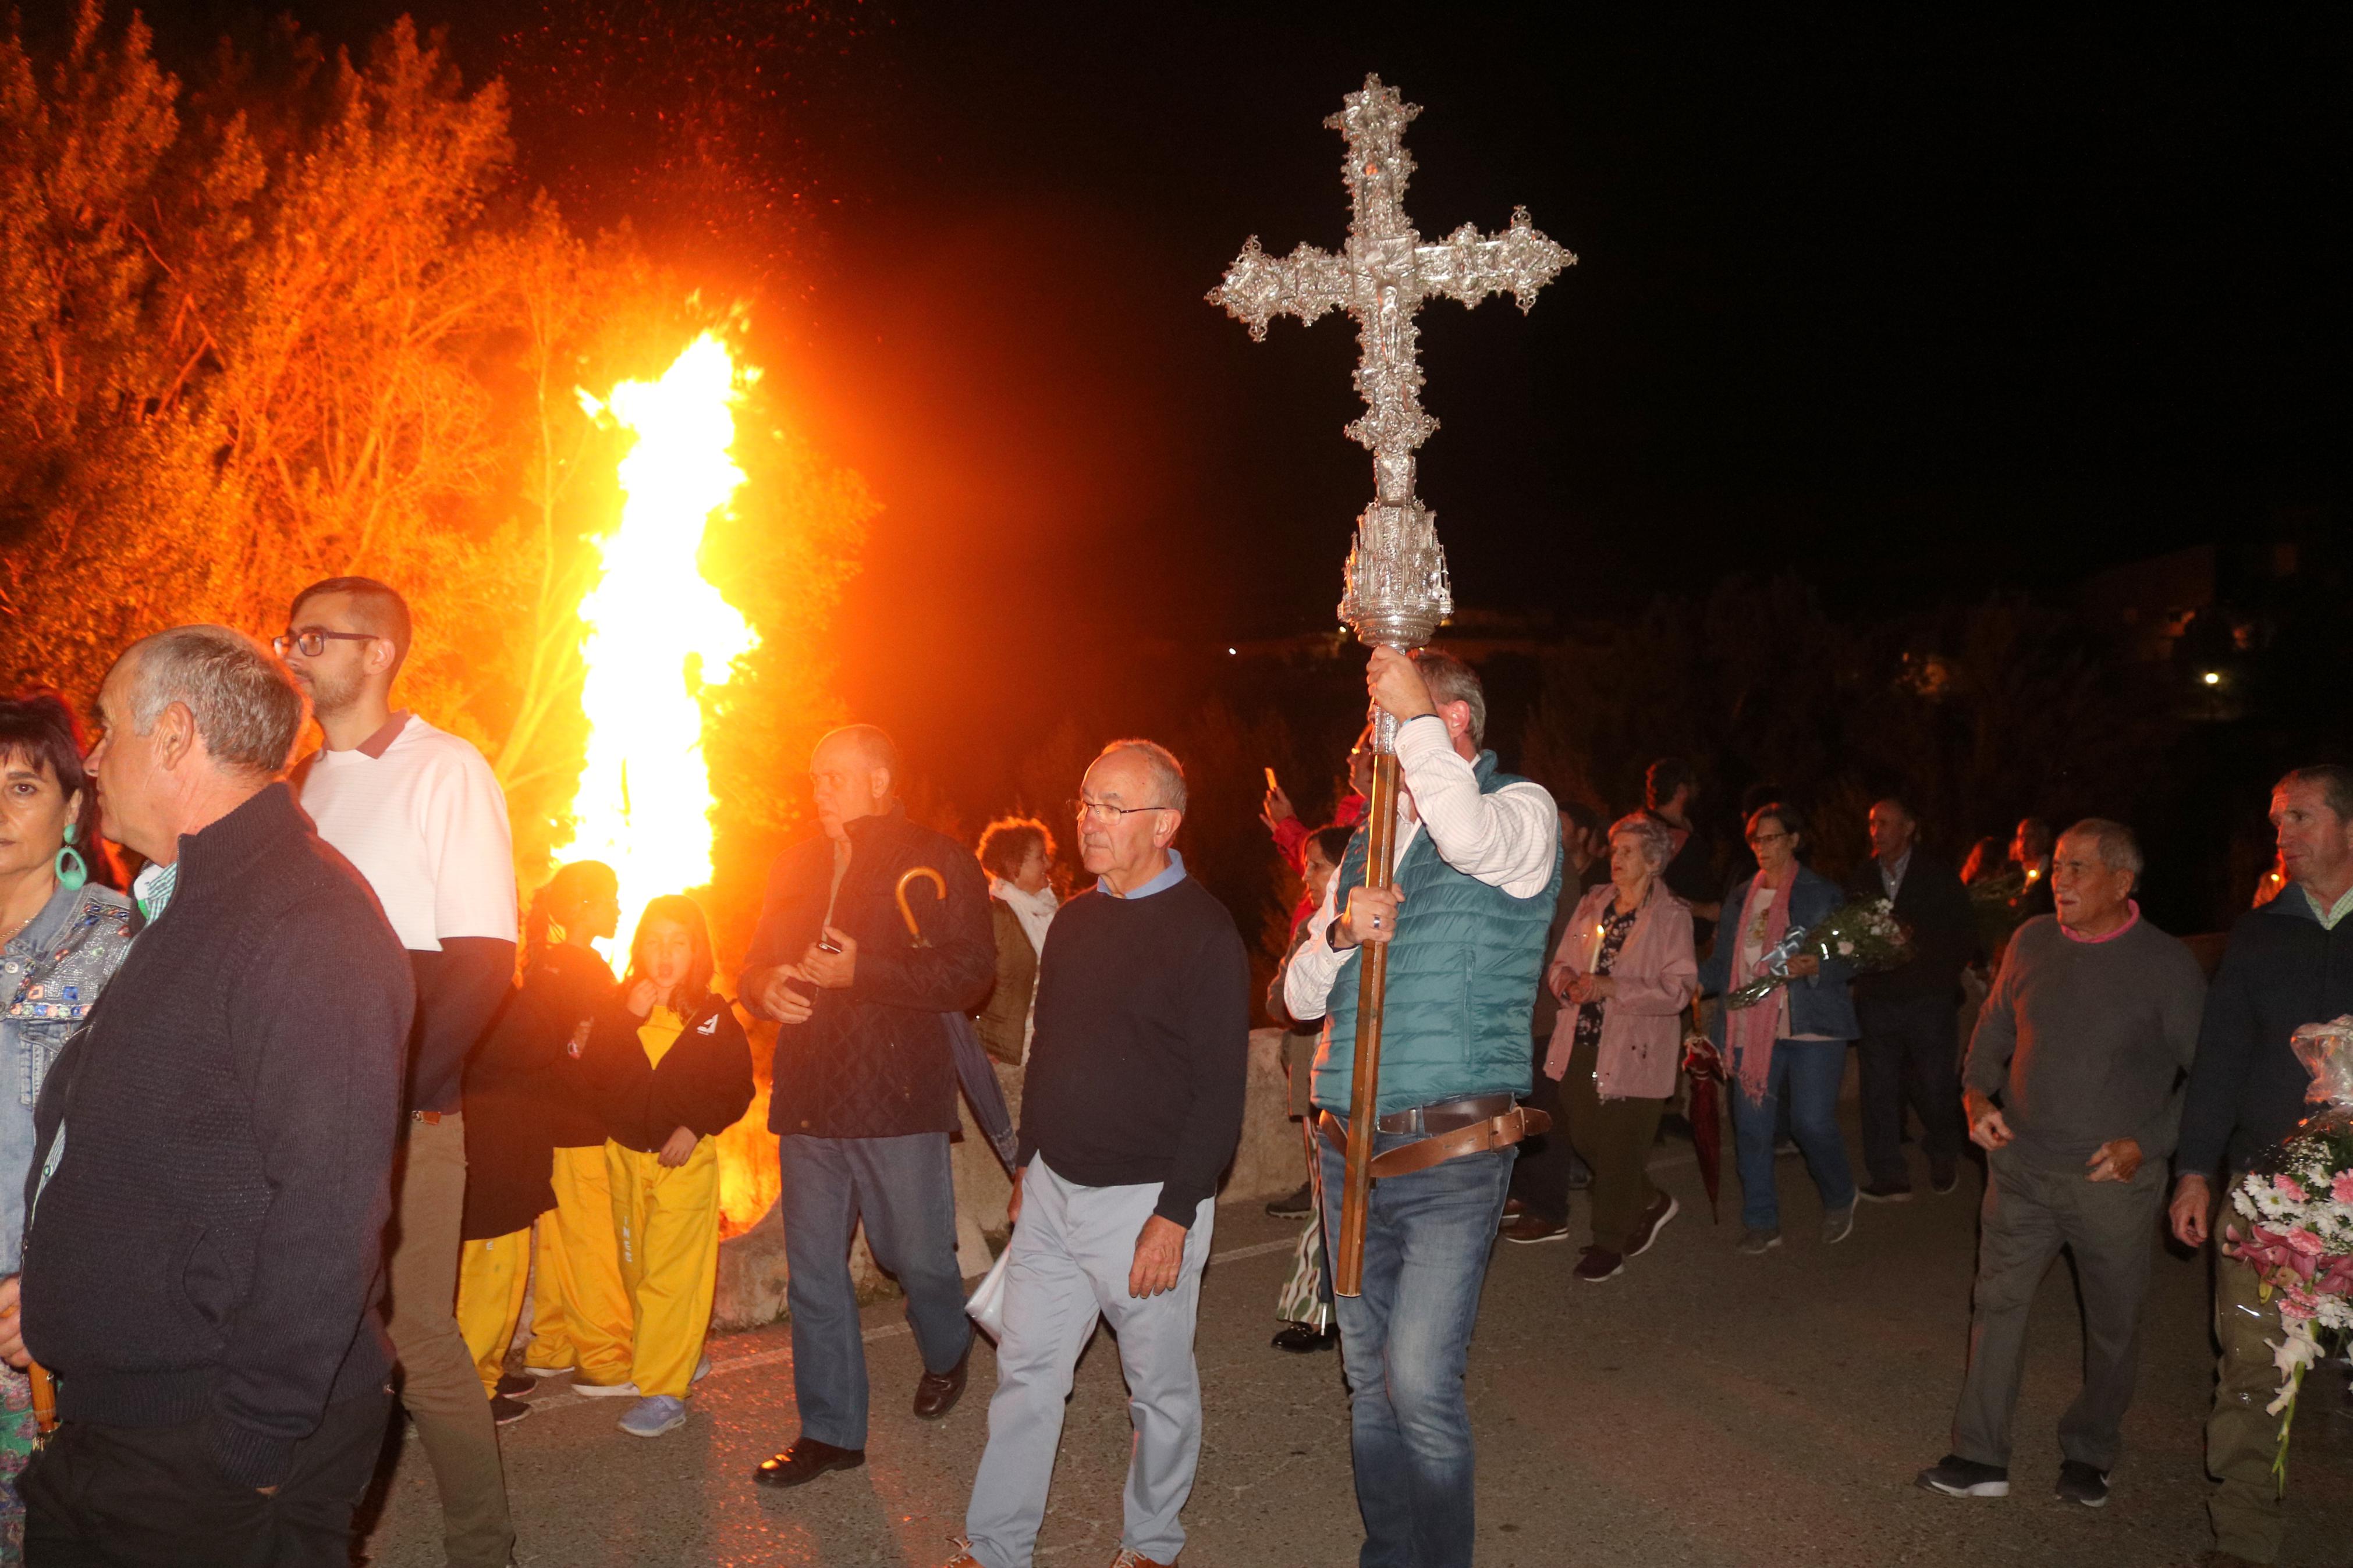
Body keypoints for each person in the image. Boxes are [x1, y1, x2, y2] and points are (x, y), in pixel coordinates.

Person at [3, 627, 412, 1564]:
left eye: (107, 728)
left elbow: (331, 1204)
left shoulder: (306, 921)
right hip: (126, 1425)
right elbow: (163, 1153)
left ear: (176, 735)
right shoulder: (189, 899)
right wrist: (65, 1291)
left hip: (209, 1441)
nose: (95, 757)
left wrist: (254, 1443)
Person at [1282, 648, 1561, 1568]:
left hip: (1450, 1147)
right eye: (1371, 732)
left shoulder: (1521, 811)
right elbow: (1293, 998)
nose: (1367, 750)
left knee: (1418, 1381)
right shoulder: (1360, 848)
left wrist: (1413, 723)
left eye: (1385, 728)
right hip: (1342, 1147)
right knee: (1366, 1380)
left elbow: (1468, 838)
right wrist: (1334, 930)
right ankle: (1387, 1554)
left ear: (1450, 725)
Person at [946, 740, 1248, 1568]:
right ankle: (995, 1546)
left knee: (1157, 1389)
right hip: (1051, 1192)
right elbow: (1048, 1051)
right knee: (1026, 1377)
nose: (1090, 820)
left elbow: (1221, 1092)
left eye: (1112, 806)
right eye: (1085, 802)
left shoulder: (1203, 932)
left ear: (1164, 822)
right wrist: (1025, 1164)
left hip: (1143, 1201)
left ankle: (1151, 1541)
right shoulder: (1075, 919)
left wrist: (1174, 1213)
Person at [279, 577, 519, 1567]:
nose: (293, 654)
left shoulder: (445, 769)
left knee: (417, 1336)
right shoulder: (295, 786)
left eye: (316, 638)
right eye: (289, 637)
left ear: (378, 652)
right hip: (299, 1109)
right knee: (309, 1334)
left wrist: (400, 1094)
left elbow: (485, 964)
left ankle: (482, 1548)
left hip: (406, 1113)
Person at [1917, 820, 2205, 1509]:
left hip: (2109, 1183)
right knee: (1996, 1304)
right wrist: (1974, 1096)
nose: (2060, 879)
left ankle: (2090, 1448)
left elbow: (2208, 1076)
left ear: (2121, 882)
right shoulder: (2031, 939)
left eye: (2078, 868)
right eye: (2058, 866)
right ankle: (1979, 1452)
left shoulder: (2165, 966)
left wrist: (2150, 1142)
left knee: (2111, 1321)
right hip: (2018, 1169)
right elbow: (1989, 1030)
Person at [742, 724, 993, 1489]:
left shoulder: (934, 858)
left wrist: (864, 971)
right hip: (809, 1097)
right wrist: (766, 987)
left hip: (895, 1097)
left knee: (914, 1255)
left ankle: (947, 1346)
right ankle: (830, 1430)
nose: (818, 792)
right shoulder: (794, 862)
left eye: (835, 779)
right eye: (815, 779)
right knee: (815, 1274)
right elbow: (753, 959)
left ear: (881, 780)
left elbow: (969, 973)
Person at [2171, 767, 2353, 1567]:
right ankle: (2243, 1540)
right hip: (2265, 1189)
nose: (2282, 832)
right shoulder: (2255, 934)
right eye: (2277, 819)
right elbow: (2217, 1060)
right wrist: (2193, 1170)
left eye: (2301, 816)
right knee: (2250, 1369)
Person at [0, 694, 133, 1556]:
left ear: (75, 806)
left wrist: (59, 1282)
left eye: (21, 785)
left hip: (39, 1316)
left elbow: (136, 1148)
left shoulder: (120, 943)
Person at [578, 894, 754, 1439]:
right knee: (638, 1269)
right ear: (639, 948)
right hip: (626, 1155)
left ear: (696, 950)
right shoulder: (620, 1003)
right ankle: (678, 1354)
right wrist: (620, 1018)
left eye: (678, 941)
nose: (665, 953)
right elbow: (596, 1076)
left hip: (684, 1162)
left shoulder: (713, 1015)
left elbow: (736, 1087)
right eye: (654, 940)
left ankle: (663, 1392)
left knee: (671, 1276)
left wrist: (695, 1124)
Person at [1539, 813, 1698, 1281]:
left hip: (1637, 1049)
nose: (1616, 858)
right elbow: (1561, 963)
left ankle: (1608, 1242)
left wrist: (1611, 987)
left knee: (1622, 1147)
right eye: (1615, 848)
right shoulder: (1593, 902)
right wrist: (1569, 985)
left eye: (1628, 851)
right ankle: (1648, 1198)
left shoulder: (1673, 915)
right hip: (1582, 1042)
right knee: (1588, 1138)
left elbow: (1677, 989)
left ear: (1653, 861)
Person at [1698, 801, 1860, 1254]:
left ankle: (1840, 1194)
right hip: (1752, 1027)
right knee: (1751, 1127)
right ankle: (1762, 1220)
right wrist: (1686, 981)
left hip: (1811, 1023)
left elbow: (1853, 954)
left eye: (1772, 837)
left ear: (1793, 840)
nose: (1763, 847)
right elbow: (1723, 962)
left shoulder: (1820, 892)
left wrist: (1817, 964)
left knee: (1811, 1122)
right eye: (1756, 839)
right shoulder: (1740, 897)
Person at [506, 863, 634, 1391]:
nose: (619, 909)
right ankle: (605, 1359)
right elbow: (590, 1051)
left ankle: (552, 1345)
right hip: (580, 1127)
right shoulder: (582, 969)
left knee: (560, 1242)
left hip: (552, 1125)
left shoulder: (551, 964)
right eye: (612, 899)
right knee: (591, 1245)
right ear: (586, 907)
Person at [1848, 797, 1978, 1202]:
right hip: (1877, 999)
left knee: (1935, 1084)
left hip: (1927, 999)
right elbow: (1848, 932)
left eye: (1885, 822)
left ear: (1907, 827)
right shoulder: (1862, 877)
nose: (1876, 831)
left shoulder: (1937, 875)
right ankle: (1888, 1172)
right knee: (1879, 1089)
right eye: (1872, 823)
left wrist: (1916, 948)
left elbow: (1962, 935)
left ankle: (1943, 1151)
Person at [1502, 801, 1608, 1242]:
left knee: (1546, 1109)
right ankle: (1526, 1190)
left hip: (1544, 1011)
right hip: (1523, 1011)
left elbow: (1555, 942)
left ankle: (1550, 1207)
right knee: (1522, 1105)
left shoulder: (1558, 874)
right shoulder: (1536, 868)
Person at [1268, 822, 1355, 1350]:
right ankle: (1326, 1311)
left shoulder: (1365, 926)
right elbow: (1279, 998)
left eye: (1318, 864)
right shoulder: (1311, 927)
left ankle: (1326, 1310)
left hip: (1344, 1076)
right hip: (1314, 1072)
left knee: (1338, 1198)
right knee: (1329, 1195)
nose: (1306, 875)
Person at [974, 816, 1059, 1068]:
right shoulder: (992, 916)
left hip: (1051, 1046)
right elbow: (966, 984)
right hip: (1013, 1057)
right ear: (1014, 867)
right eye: (1040, 857)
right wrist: (978, 1041)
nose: (1049, 863)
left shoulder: (1049, 908)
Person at [1262, 726, 1372, 884]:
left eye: (1359, 753)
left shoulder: (1384, 819)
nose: (1350, 759)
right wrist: (1284, 828)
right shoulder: (1353, 811)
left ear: (1380, 758)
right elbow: (1321, 873)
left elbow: (1334, 872)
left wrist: (1286, 825)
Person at [1642, 757, 1720, 928]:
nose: (1698, 789)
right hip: (1674, 938)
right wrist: (1704, 911)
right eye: (1693, 783)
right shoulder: (1653, 833)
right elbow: (1649, 890)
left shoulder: (1690, 825)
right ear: (1681, 790)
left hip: (1702, 937)